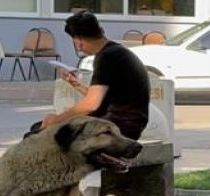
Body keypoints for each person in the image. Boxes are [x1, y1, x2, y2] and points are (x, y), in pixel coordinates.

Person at [38, 11, 149, 141]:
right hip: (129, 123)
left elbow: (91, 104)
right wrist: (77, 85)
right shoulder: (116, 51)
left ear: (78, 41)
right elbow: (104, 99)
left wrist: (57, 119)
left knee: (44, 134)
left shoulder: (106, 57)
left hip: (117, 126)